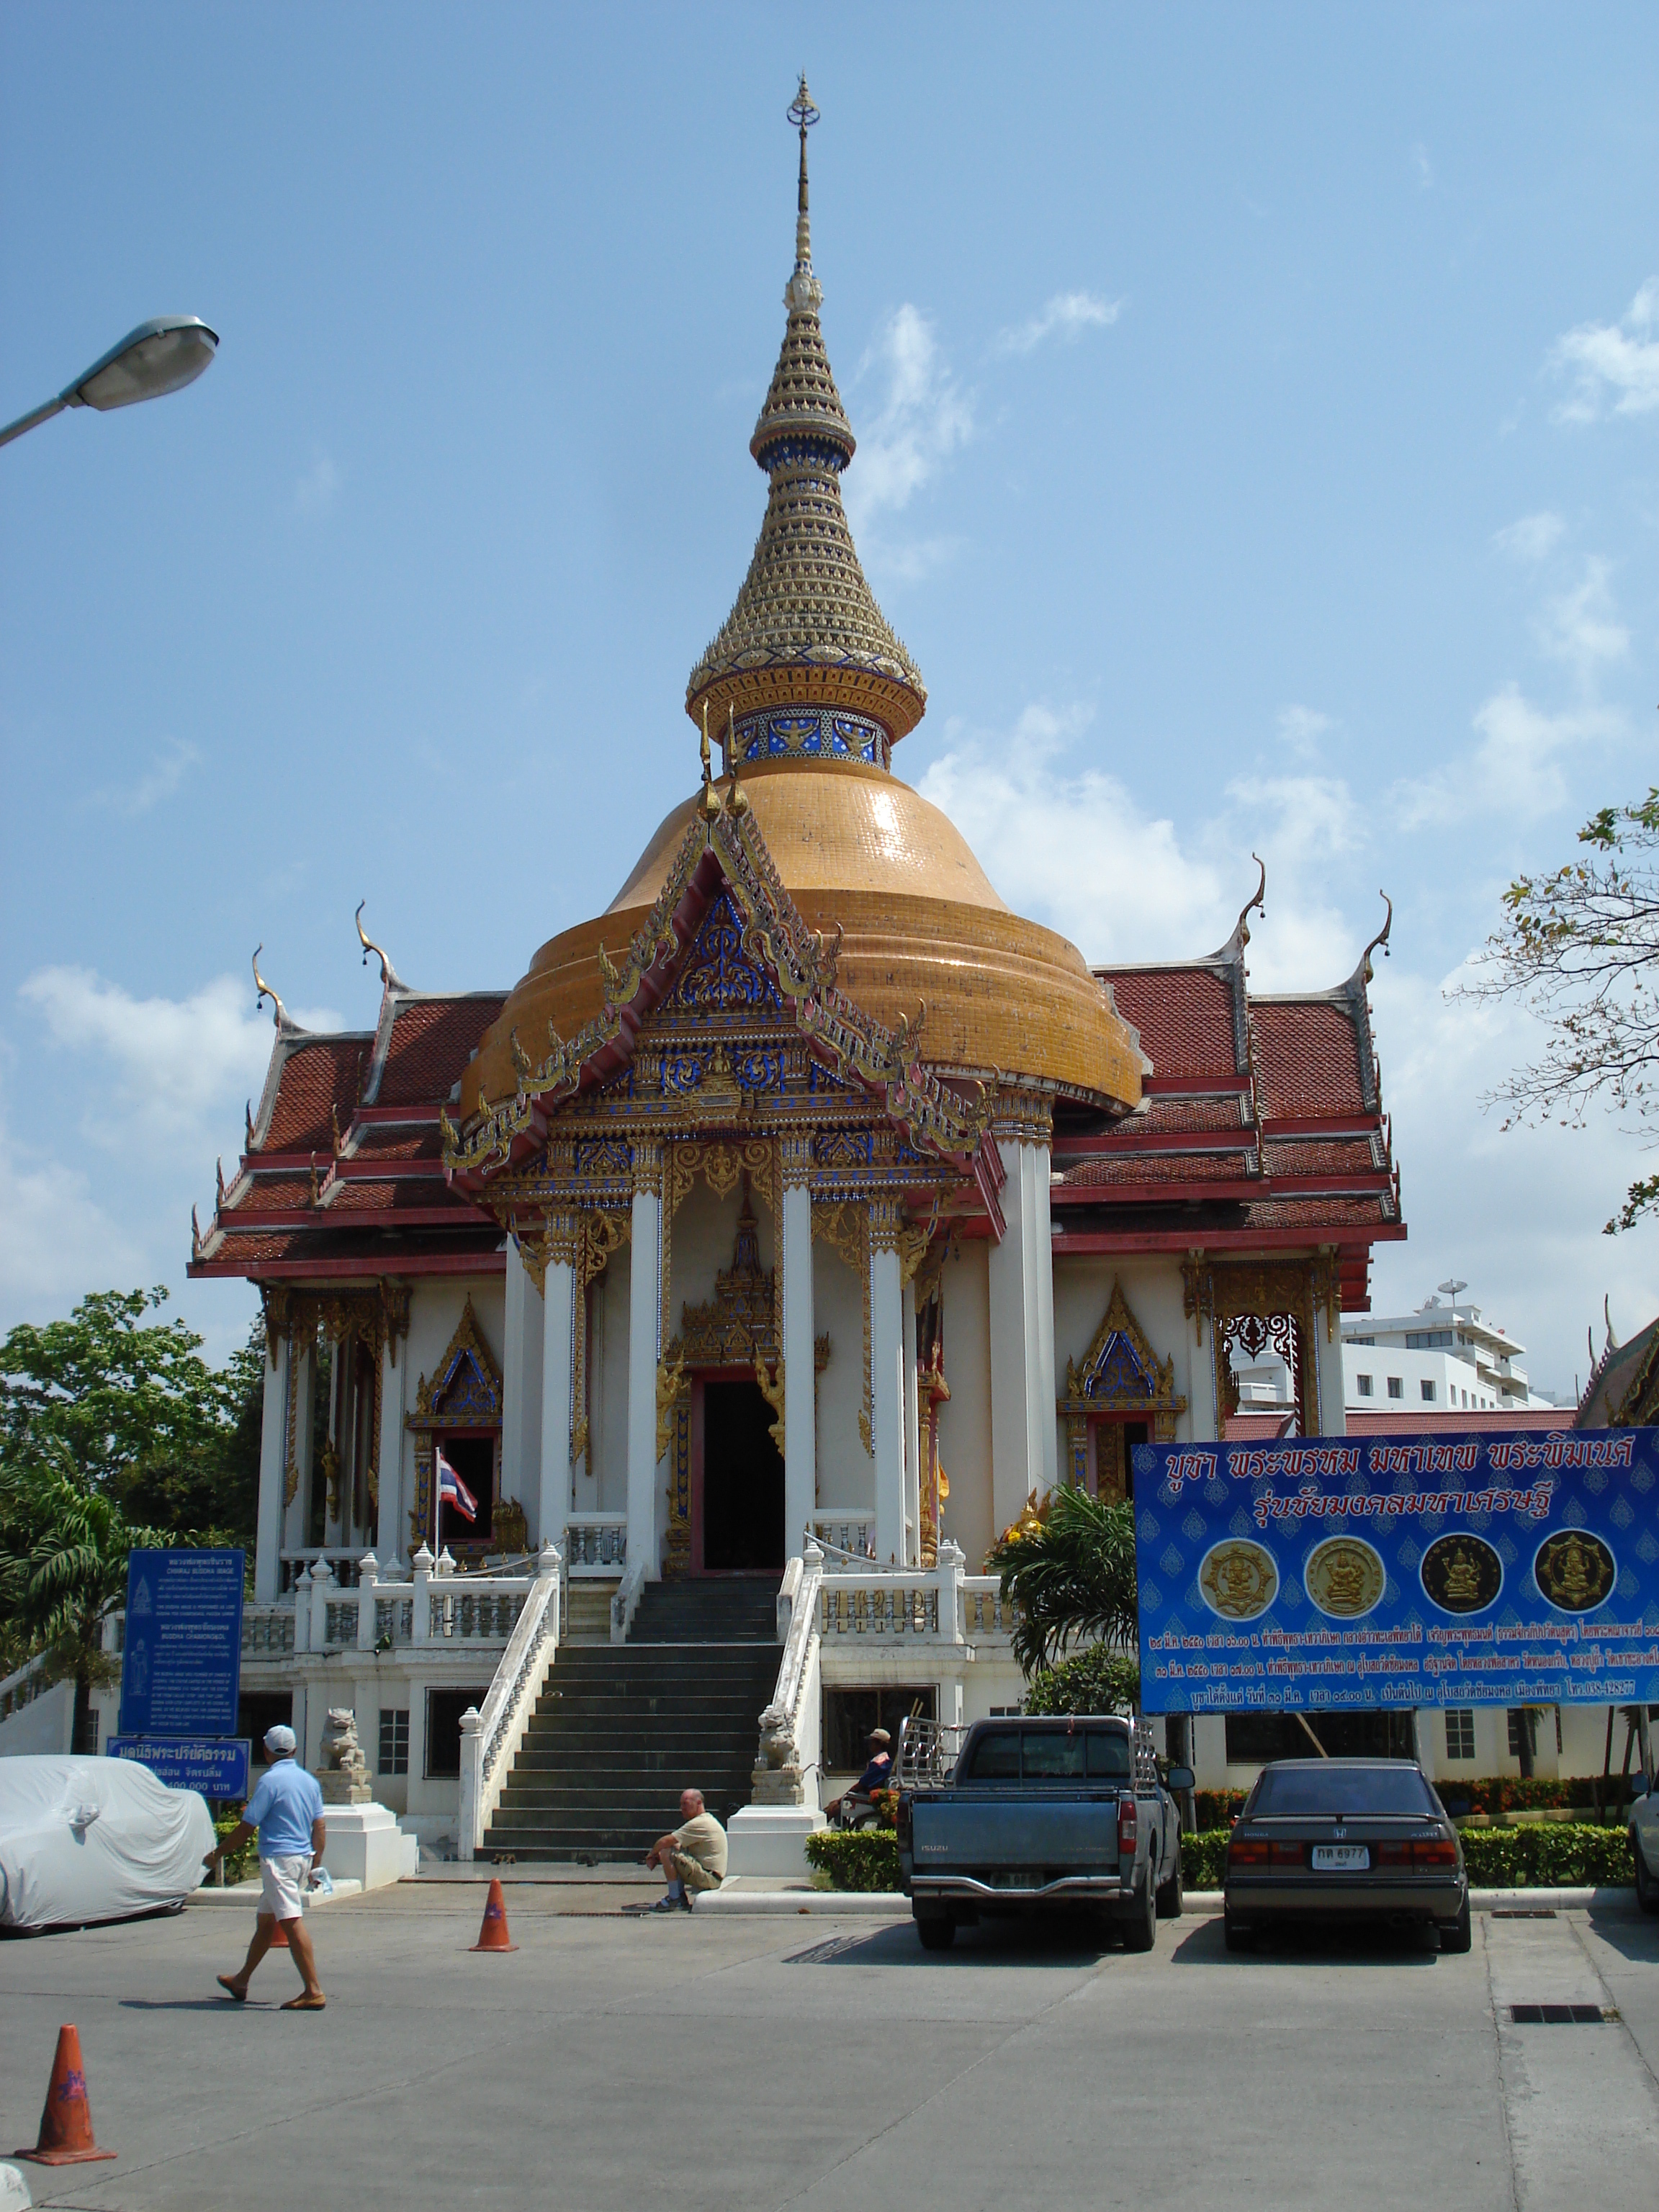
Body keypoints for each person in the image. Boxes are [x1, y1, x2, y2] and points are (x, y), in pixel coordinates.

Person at [204, 1724, 328, 2010]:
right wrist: (316, 1863)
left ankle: (313, 1989)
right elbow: (319, 1825)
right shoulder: (309, 1781)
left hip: (278, 1861)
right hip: (300, 1859)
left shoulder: (269, 1781)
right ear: (295, 1750)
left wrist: (219, 1853)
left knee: (290, 1921)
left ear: (267, 1751)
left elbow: (249, 1825)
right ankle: (242, 1979)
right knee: (266, 1921)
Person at [642, 1788, 727, 1912]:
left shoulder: (699, 1823)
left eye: (685, 1804)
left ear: (698, 1803)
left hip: (710, 1878)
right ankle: (679, 1896)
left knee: (666, 1851)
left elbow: (665, 1841)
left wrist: (651, 1855)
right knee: (676, 1847)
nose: (682, 1808)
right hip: (713, 1876)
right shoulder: (706, 1820)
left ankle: (675, 1898)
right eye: (681, 1804)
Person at [827, 1728, 892, 1825]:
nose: (870, 1745)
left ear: (879, 1744)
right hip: (868, 1795)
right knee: (832, 1805)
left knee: (834, 1807)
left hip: (868, 1798)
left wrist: (842, 1798)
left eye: (872, 1742)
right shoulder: (885, 1761)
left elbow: (861, 1785)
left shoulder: (879, 1763)